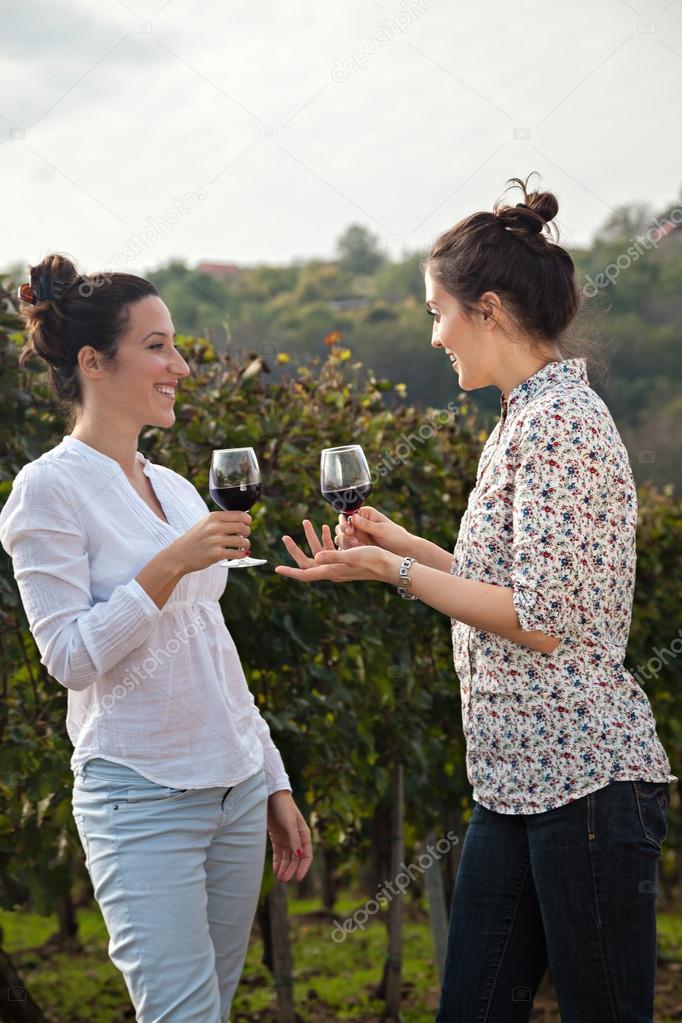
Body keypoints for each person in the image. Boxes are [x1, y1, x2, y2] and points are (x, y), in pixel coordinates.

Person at [276, 176, 677, 1022]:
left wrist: (396, 575)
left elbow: (540, 620)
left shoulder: (562, 421)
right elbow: (509, 585)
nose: (433, 334)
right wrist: (403, 546)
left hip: (587, 784)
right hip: (516, 784)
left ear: (486, 308)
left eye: (436, 311)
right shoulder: (521, 417)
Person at [0, 256, 312, 1023]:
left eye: (176, 348)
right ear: (93, 362)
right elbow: (69, 657)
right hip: (140, 796)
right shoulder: (48, 490)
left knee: (213, 1004)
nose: (179, 367)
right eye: (159, 347)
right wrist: (169, 564)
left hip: (235, 788)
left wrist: (269, 776)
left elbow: (213, 645)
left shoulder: (172, 486)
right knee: (181, 1014)